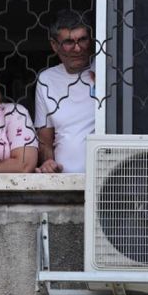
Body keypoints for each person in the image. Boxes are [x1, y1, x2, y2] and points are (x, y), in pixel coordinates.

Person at [34, 10, 95, 173]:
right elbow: (45, 140)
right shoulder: (47, 80)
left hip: (105, 179)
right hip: (63, 180)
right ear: (54, 45)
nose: (77, 49)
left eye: (82, 40)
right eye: (69, 42)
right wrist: (48, 162)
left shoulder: (104, 73)